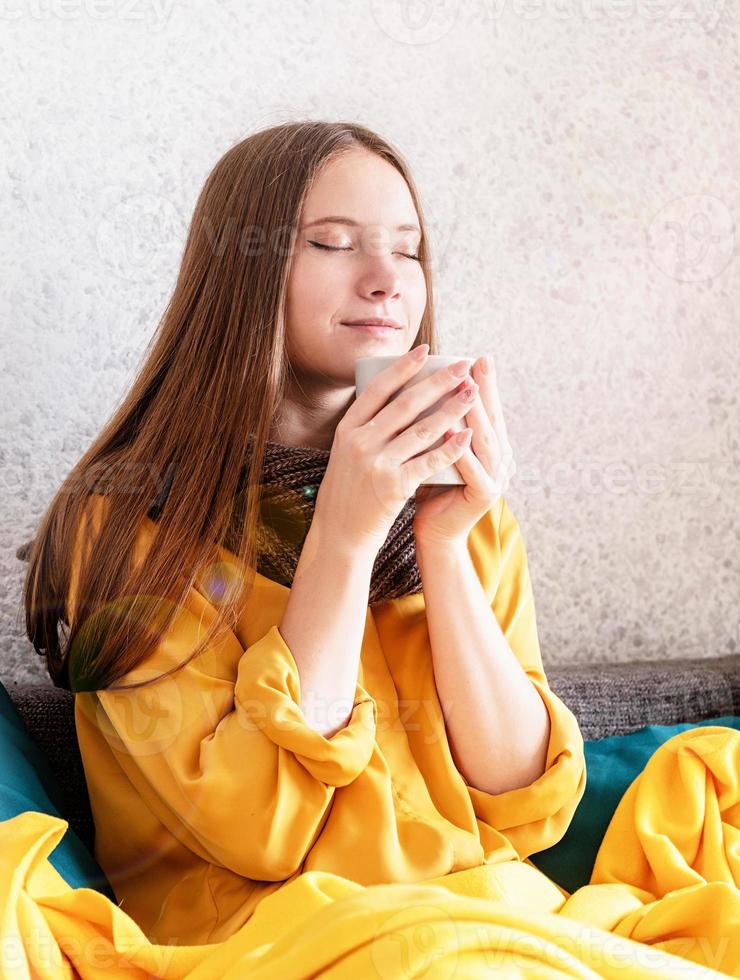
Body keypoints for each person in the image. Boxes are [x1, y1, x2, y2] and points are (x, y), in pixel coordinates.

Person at [15, 121, 739, 977]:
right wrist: (348, 532)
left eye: (410, 249)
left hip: (501, 918)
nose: (388, 280)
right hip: (275, 941)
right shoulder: (126, 527)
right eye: (332, 242)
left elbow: (524, 804)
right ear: (241, 274)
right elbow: (260, 831)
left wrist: (440, 540)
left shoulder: (464, 510)